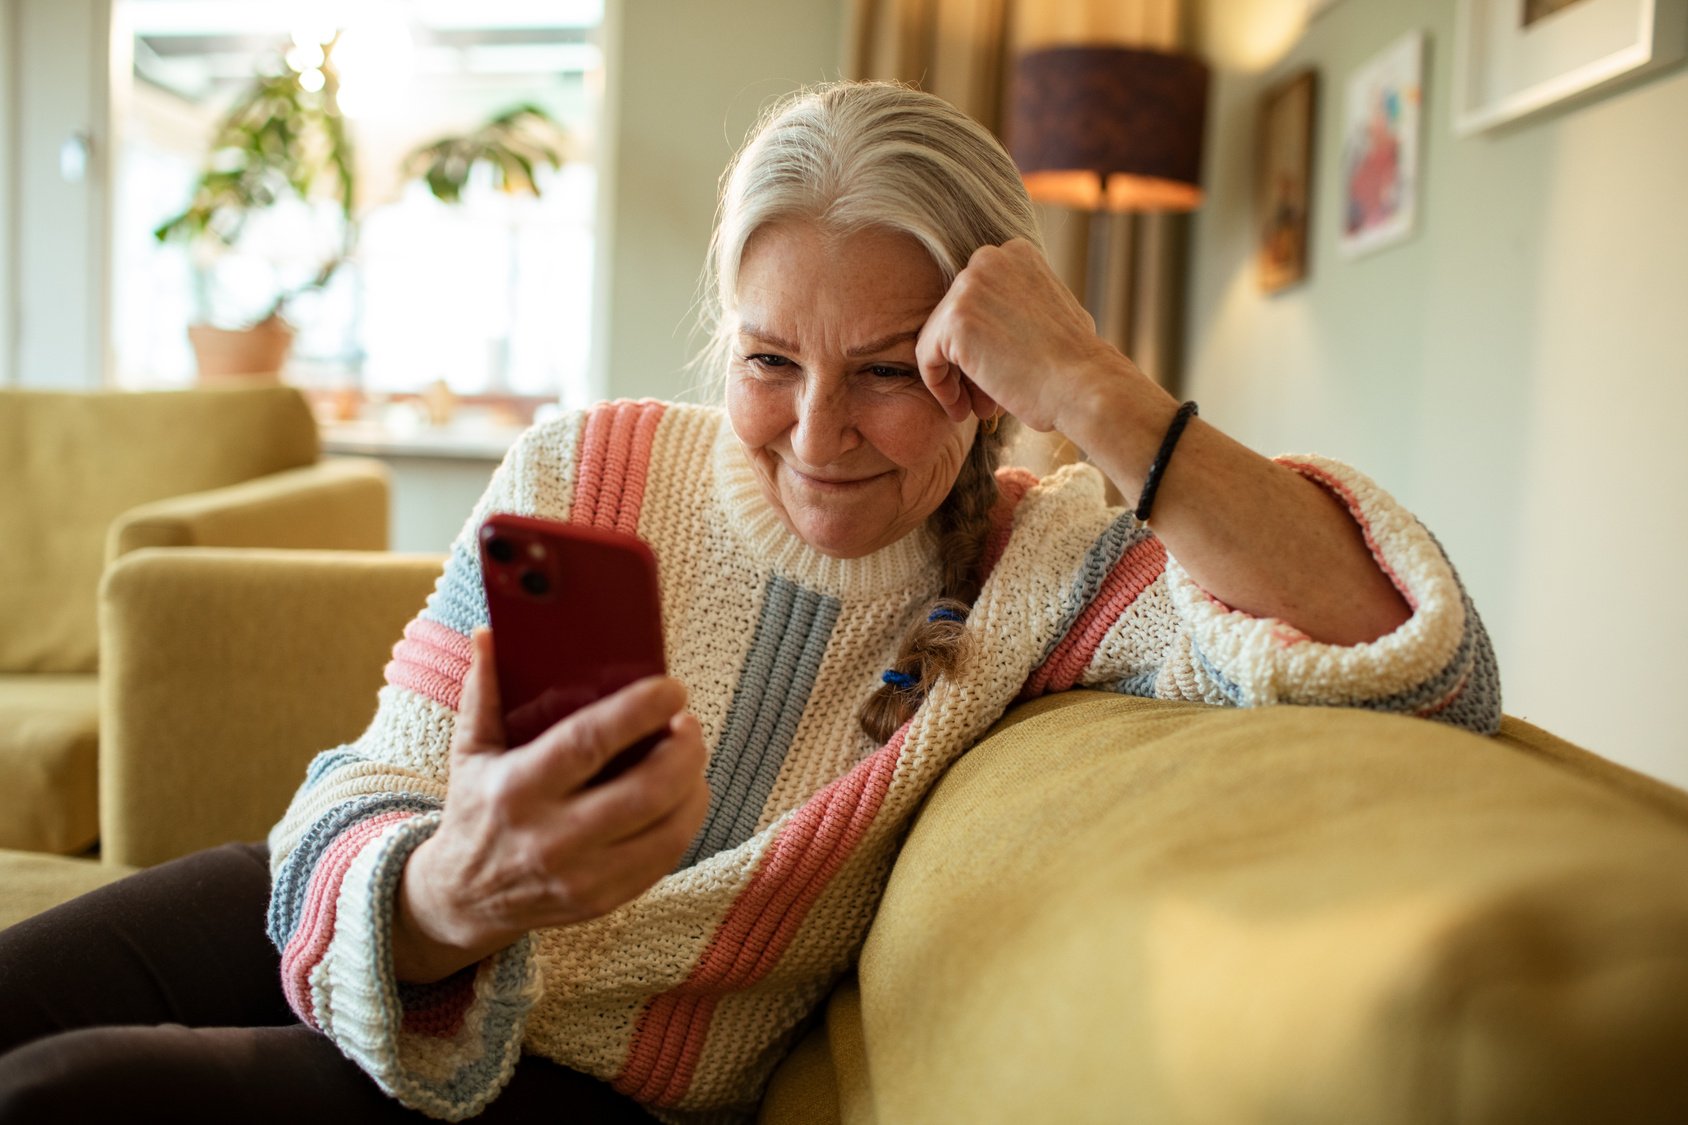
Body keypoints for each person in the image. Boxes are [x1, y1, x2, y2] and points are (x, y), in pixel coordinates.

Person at [0, 81, 1500, 1123]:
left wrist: (1094, 389)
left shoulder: (1054, 573)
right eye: (771, 360)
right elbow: (376, 774)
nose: (818, 434)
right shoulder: (581, 463)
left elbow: (1420, 664)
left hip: (585, 1088)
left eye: (891, 370)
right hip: (367, 908)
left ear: (985, 371)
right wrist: (459, 883)